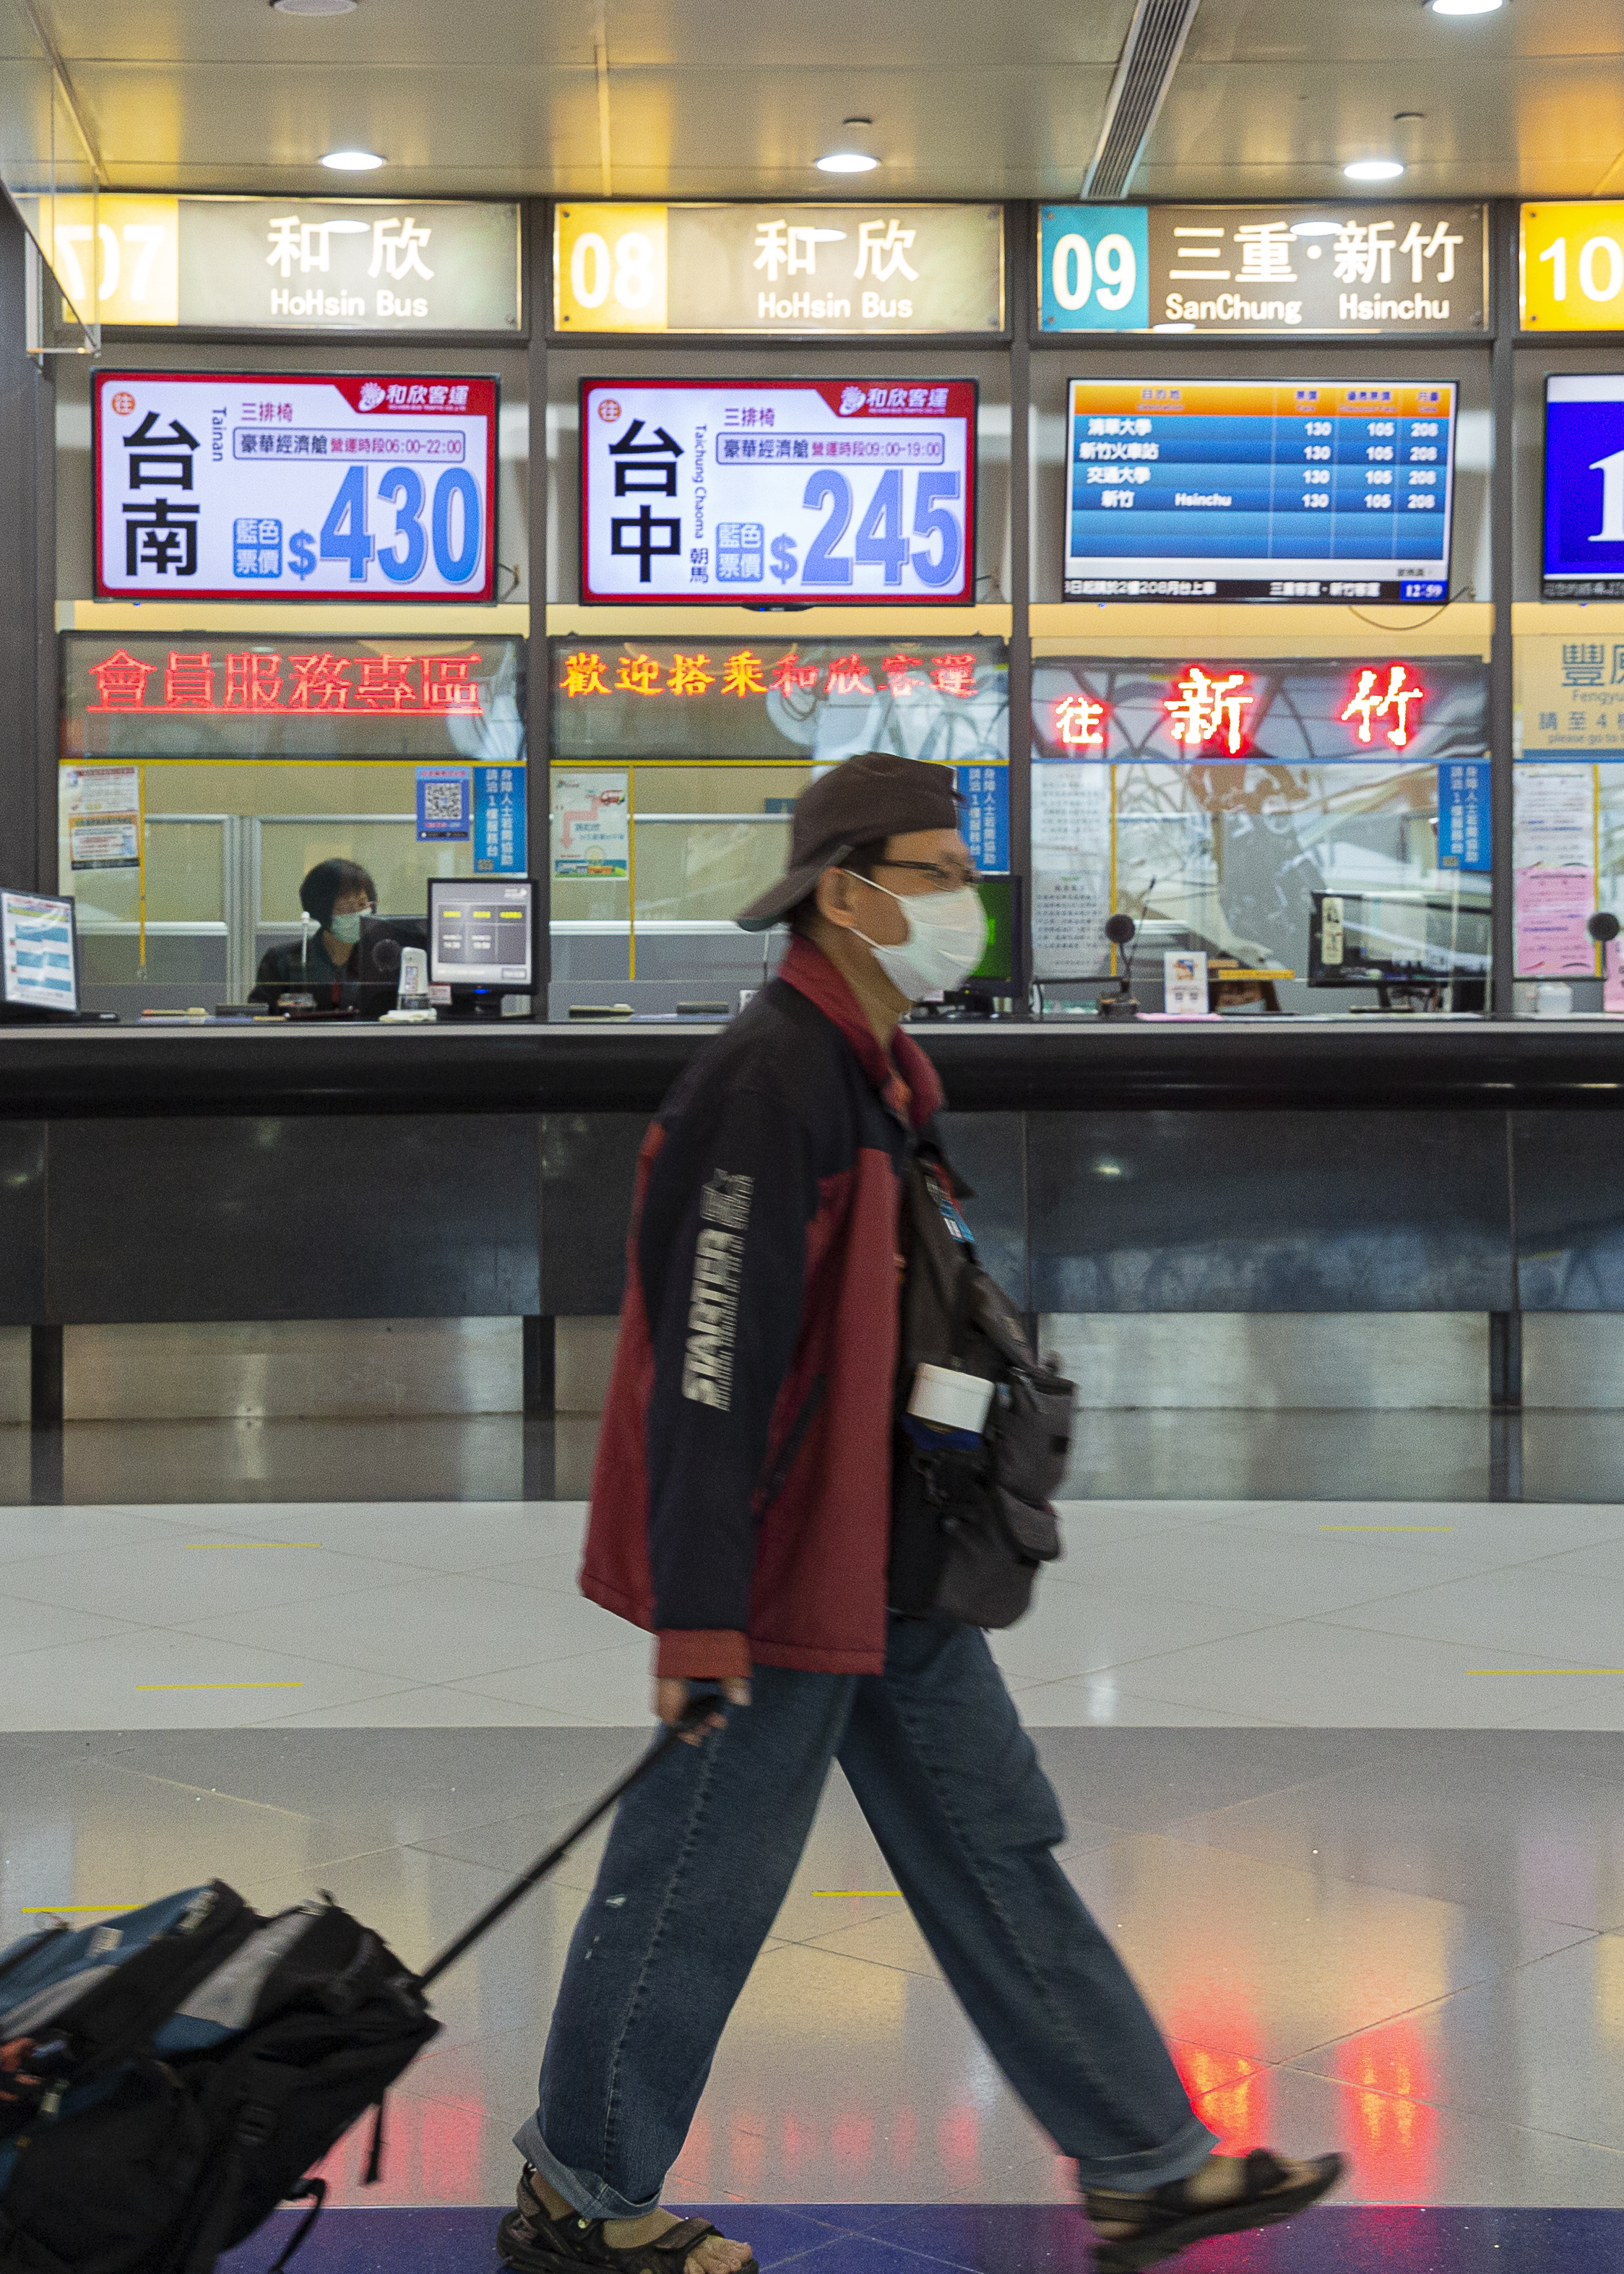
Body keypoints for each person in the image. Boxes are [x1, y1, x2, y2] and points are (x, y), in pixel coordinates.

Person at [503, 753, 1339, 2274]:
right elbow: (707, 1367)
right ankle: (582, 2192)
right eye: (939, 871)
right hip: (781, 1561)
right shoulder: (768, 1081)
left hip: (886, 1551)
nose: (968, 899)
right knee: (698, 1877)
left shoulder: (876, 1070)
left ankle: (1146, 2162)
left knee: (993, 1840)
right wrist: (701, 1614)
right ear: (846, 891)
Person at [250, 856, 411, 1019]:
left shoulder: (384, 960)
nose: (356, 914)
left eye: (362, 904)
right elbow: (260, 1016)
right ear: (322, 908)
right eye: (347, 906)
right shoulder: (283, 960)